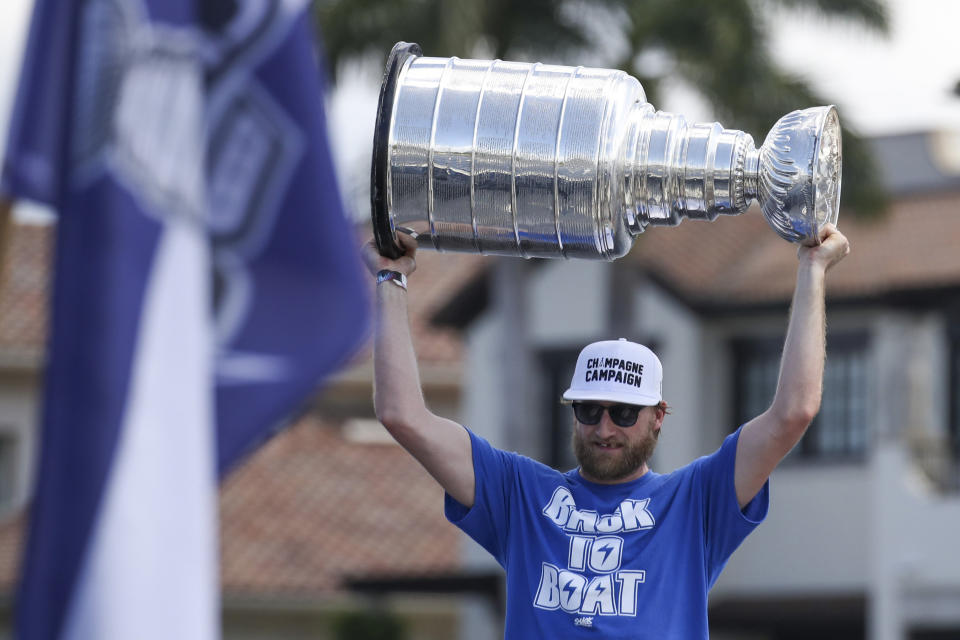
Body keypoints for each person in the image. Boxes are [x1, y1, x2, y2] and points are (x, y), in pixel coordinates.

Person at [362, 225, 850, 638]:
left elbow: (794, 412)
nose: (604, 428)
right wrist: (390, 277)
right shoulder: (519, 493)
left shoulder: (696, 501)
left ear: (659, 415)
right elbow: (402, 415)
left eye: (623, 412)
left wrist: (812, 269)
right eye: (589, 410)